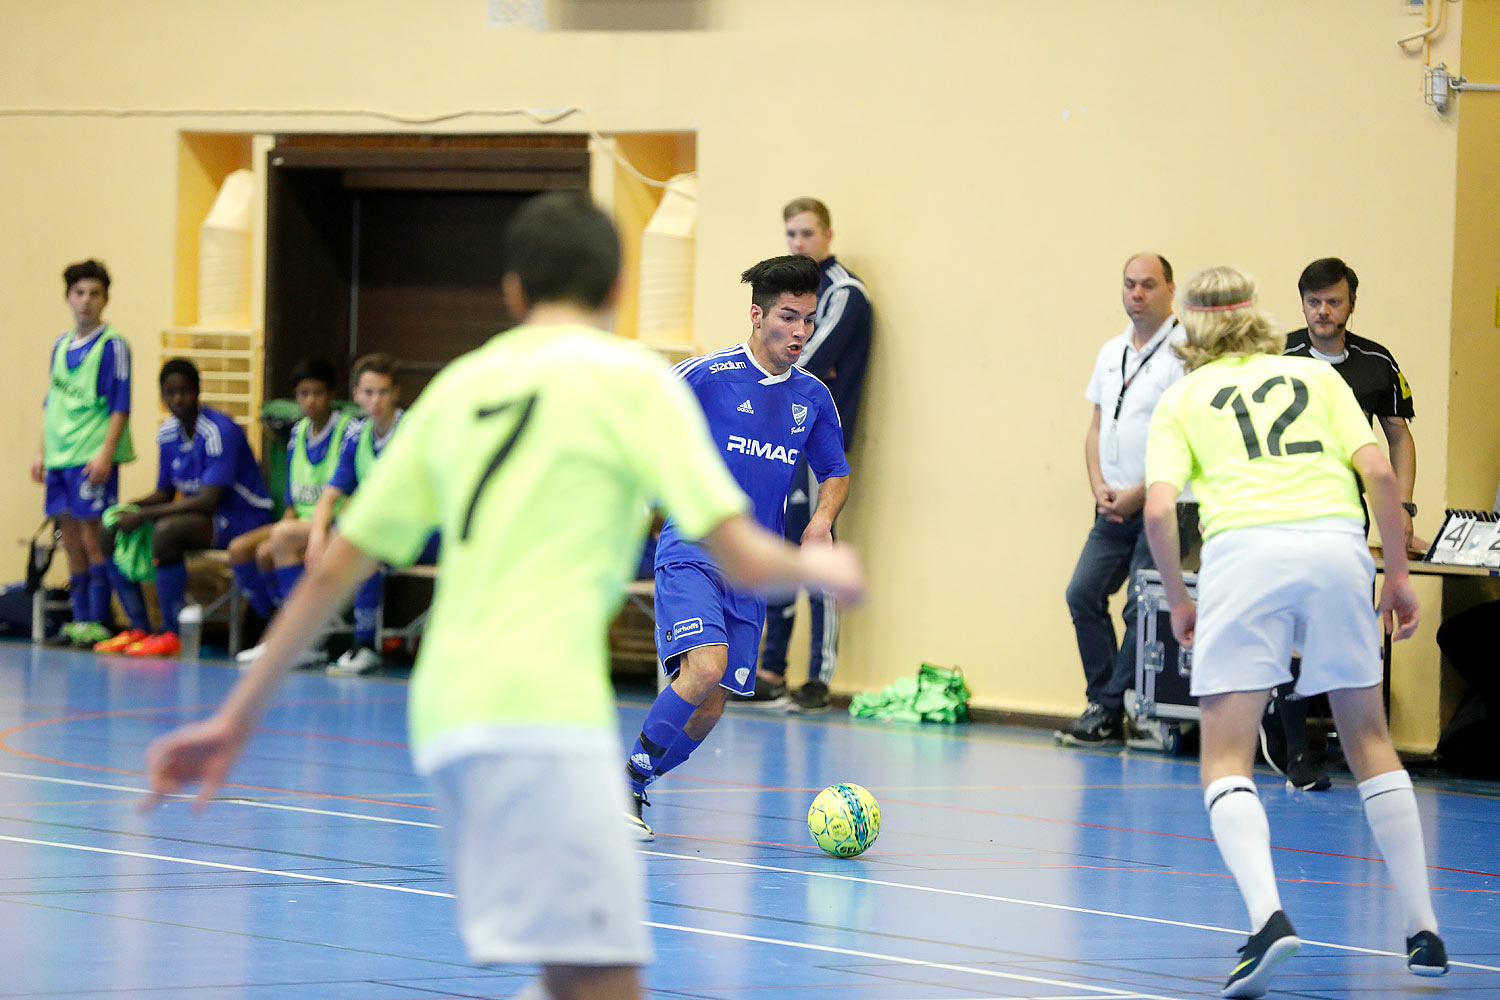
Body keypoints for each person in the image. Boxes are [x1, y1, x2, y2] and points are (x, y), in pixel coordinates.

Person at [143, 192, 865, 1000]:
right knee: (599, 978)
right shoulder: (639, 385)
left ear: (513, 291)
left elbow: (332, 566)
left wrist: (234, 715)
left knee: (589, 977)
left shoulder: (459, 388)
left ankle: (629, 787)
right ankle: (630, 781)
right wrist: (819, 567)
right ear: (622, 287)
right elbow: (730, 539)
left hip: (448, 712)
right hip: (540, 712)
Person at [1141, 265, 1447, 997]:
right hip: (1336, 546)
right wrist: (1398, 575)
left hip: (1245, 553)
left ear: (1191, 326)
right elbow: (1379, 474)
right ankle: (1424, 929)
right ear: (1256, 318)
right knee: (1371, 741)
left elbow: (1158, 513)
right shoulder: (1318, 380)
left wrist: (1180, 599)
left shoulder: (1182, 396)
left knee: (1227, 757)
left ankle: (1268, 918)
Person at [623, 254, 851, 839]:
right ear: (757, 314)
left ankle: (637, 780)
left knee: (713, 702)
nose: (801, 332)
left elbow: (835, 471)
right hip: (694, 549)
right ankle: (625, 787)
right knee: (705, 666)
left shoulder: (814, 398)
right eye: (788, 317)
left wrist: (822, 520)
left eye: (809, 319)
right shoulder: (704, 376)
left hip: (751, 569)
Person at [1268, 257, 1424, 790]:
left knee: (1350, 629)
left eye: (1333, 301)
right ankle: (1295, 753)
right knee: (1292, 631)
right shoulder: (1277, 354)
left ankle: (1357, 747)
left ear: (1351, 303)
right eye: (1313, 302)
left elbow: (1398, 440)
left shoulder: (1376, 362)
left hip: (1345, 519)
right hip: (1284, 516)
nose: (1323, 311)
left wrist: (1401, 511)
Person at [1058, 253, 1193, 746]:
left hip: (1160, 505)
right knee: (1083, 593)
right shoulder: (1111, 351)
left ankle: (1110, 709)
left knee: (1142, 605)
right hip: (1111, 505)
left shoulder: (1184, 352)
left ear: (1170, 290)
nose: (1137, 294)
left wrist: (1138, 495)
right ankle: (1105, 701)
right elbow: (1097, 428)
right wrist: (1099, 484)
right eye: (1129, 285)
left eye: (1148, 286)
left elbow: (1185, 439)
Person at [755, 198, 873, 712]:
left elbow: (803, 359)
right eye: (790, 234)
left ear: (827, 235)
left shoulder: (846, 293)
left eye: (807, 234)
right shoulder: (790, 294)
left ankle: (819, 678)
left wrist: (791, 365)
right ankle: (770, 669)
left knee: (815, 544)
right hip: (780, 438)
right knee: (779, 546)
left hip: (818, 440)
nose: (798, 243)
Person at [97, 359, 274, 656]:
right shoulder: (167, 434)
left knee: (167, 533)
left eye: (184, 392)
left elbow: (208, 500)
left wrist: (143, 516)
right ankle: (138, 628)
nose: (177, 399)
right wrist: (128, 508)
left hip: (245, 516)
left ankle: (171, 632)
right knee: (110, 527)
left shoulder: (219, 431)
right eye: (170, 393)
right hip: (204, 516)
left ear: (198, 391)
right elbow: (165, 493)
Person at [31, 259, 135, 649]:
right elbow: (52, 403)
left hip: (90, 456)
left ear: (105, 299)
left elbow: (120, 405)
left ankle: (100, 621)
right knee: (69, 539)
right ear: (68, 297)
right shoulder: (60, 344)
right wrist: (41, 451)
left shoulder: (113, 346)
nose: (86, 301)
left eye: (94, 293)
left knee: (94, 539)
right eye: (79, 293)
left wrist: (106, 454)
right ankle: (80, 620)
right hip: (60, 457)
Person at [229, 358, 353, 667]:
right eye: (303, 393)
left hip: (335, 523)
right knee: (246, 550)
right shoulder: (297, 434)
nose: (310, 401)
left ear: (331, 395)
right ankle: (274, 622)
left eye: (317, 393)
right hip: (300, 523)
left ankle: (290, 639)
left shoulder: (347, 432)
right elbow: (290, 502)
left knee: (282, 538)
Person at [302, 353, 408, 675]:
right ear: (357, 395)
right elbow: (329, 497)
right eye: (368, 392)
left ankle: (365, 646)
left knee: (363, 544)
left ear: (396, 393)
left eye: (383, 392)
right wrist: (317, 538)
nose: (375, 400)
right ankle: (309, 641)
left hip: (424, 531)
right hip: (377, 530)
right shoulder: (356, 436)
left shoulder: (412, 431)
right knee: (300, 541)